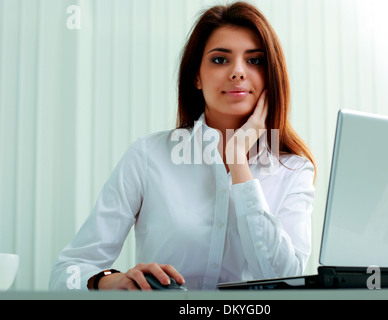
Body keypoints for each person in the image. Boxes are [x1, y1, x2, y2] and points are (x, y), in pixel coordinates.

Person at [49, 1, 316, 291]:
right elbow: (67, 273)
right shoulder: (148, 156)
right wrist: (113, 281)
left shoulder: (294, 171)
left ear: (270, 75)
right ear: (196, 77)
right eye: (220, 59)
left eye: (254, 60)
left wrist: (238, 161)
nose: (238, 72)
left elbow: (286, 282)